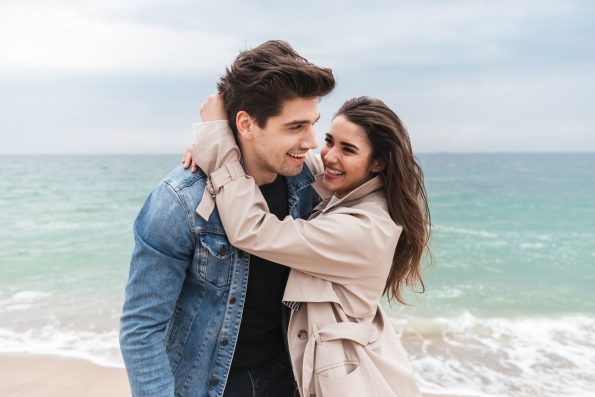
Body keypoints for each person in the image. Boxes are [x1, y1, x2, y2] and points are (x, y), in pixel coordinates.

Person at [119, 40, 335, 397]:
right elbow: (141, 329)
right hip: (209, 385)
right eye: (295, 127)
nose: (311, 142)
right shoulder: (180, 201)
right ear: (247, 124)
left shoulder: (309, 184)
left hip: (291, 378)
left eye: (313, 124)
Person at [187, 94, 431, 396]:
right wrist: (225, 141)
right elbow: (281, 157)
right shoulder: (350, 187)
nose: (329, 156)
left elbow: (252, 230)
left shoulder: (364, 229)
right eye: (330, 140)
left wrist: (217, 139)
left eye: (348, 149)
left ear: (377, 163)